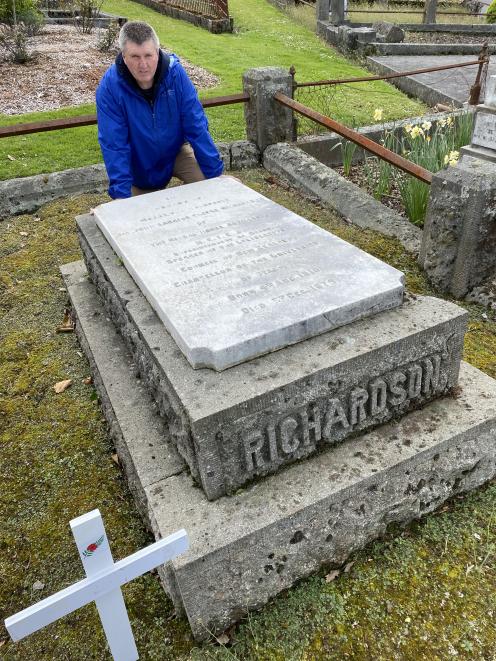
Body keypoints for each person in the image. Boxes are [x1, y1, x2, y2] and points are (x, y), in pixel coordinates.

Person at [96, 21, 224, 199]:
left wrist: (216, 177)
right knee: (134, 216)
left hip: (176, 153)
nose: (143, 65)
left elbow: (196, 125)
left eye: (148, 55)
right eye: (135, 56)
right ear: (123, 57)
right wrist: (121, 197)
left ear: (157, 52)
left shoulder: (176, 74)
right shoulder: (110, 88)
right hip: (139, 166)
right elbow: (114, 144)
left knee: (212, 191)